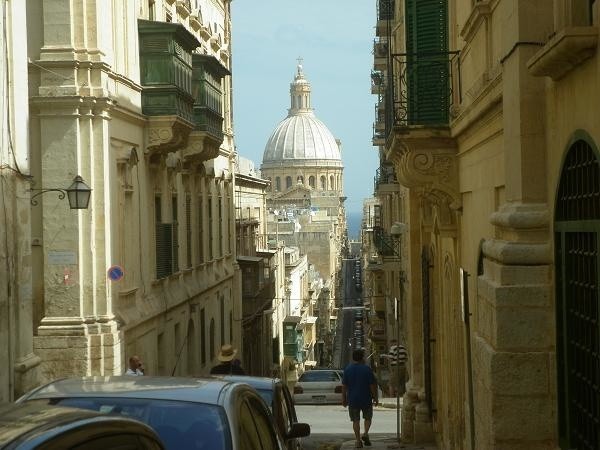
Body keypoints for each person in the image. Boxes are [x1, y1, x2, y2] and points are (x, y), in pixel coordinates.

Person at [342, 348, 378, 448]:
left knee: (355, 421)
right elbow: (372, 385)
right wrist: (375, 398)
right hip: (366, 398)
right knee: (368, 418)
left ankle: (358, 441)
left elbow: (344, 386)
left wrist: (343, 399)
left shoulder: (348, 369)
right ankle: (366, 433)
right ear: (362, 358)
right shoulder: (367, 369)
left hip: (353, 399)